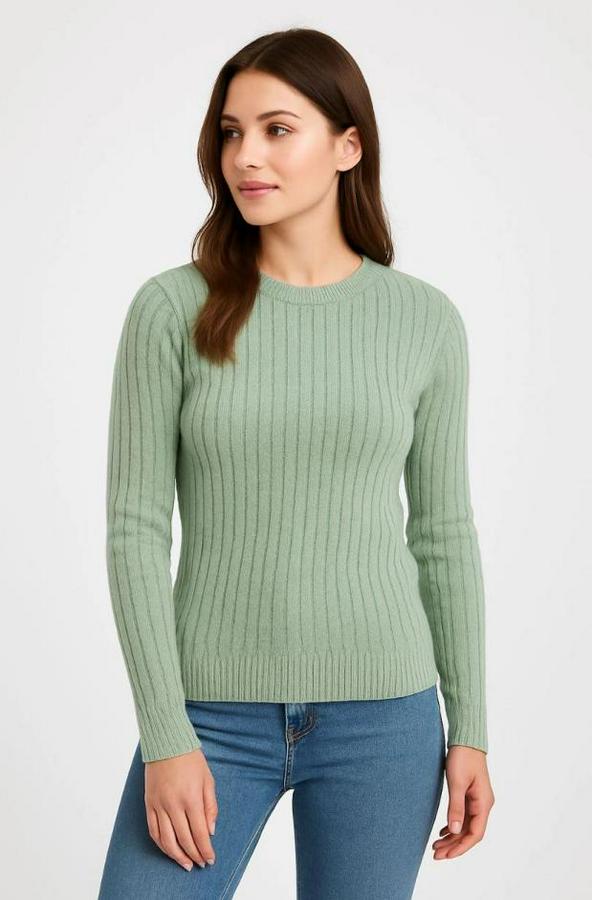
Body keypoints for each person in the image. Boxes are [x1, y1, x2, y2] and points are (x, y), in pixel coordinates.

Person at [98, 26, 495, 900]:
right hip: (209, 719)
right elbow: (134, 533)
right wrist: (166, 735)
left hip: (385, 721)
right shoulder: (172, 310)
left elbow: (442, 534)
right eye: (231, 132)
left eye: (278, 129)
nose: (246, 155)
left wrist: (470, 728)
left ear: (348, 146)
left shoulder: (424, 321)